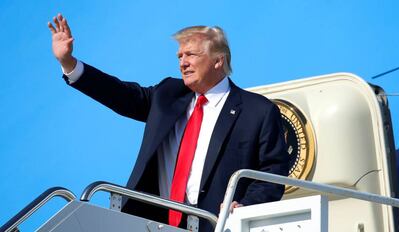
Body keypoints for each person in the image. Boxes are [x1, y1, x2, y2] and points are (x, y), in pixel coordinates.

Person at [48, 13, 289, 231]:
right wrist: (70, 63)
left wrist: (247, 205)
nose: (182, 62)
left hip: (216, 224)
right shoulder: (167, 94)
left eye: (191, 55)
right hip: (154, 223)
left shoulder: (258, 110)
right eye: (179, 56)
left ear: (218, 60)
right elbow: (120, 94)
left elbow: (272, 172)